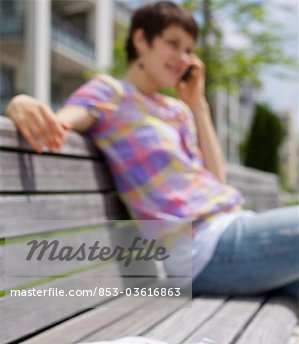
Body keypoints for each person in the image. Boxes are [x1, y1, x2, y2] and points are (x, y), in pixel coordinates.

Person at [5, 1, 299, 298]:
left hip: (234, 226)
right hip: (200, 249)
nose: (183, 58)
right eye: (173, 44)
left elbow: (217, 181)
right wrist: (20, 104)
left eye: (188, 49)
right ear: (141, 40)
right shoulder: (111, 93)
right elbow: (55, 125)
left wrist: (198, 105)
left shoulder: (178, 111)